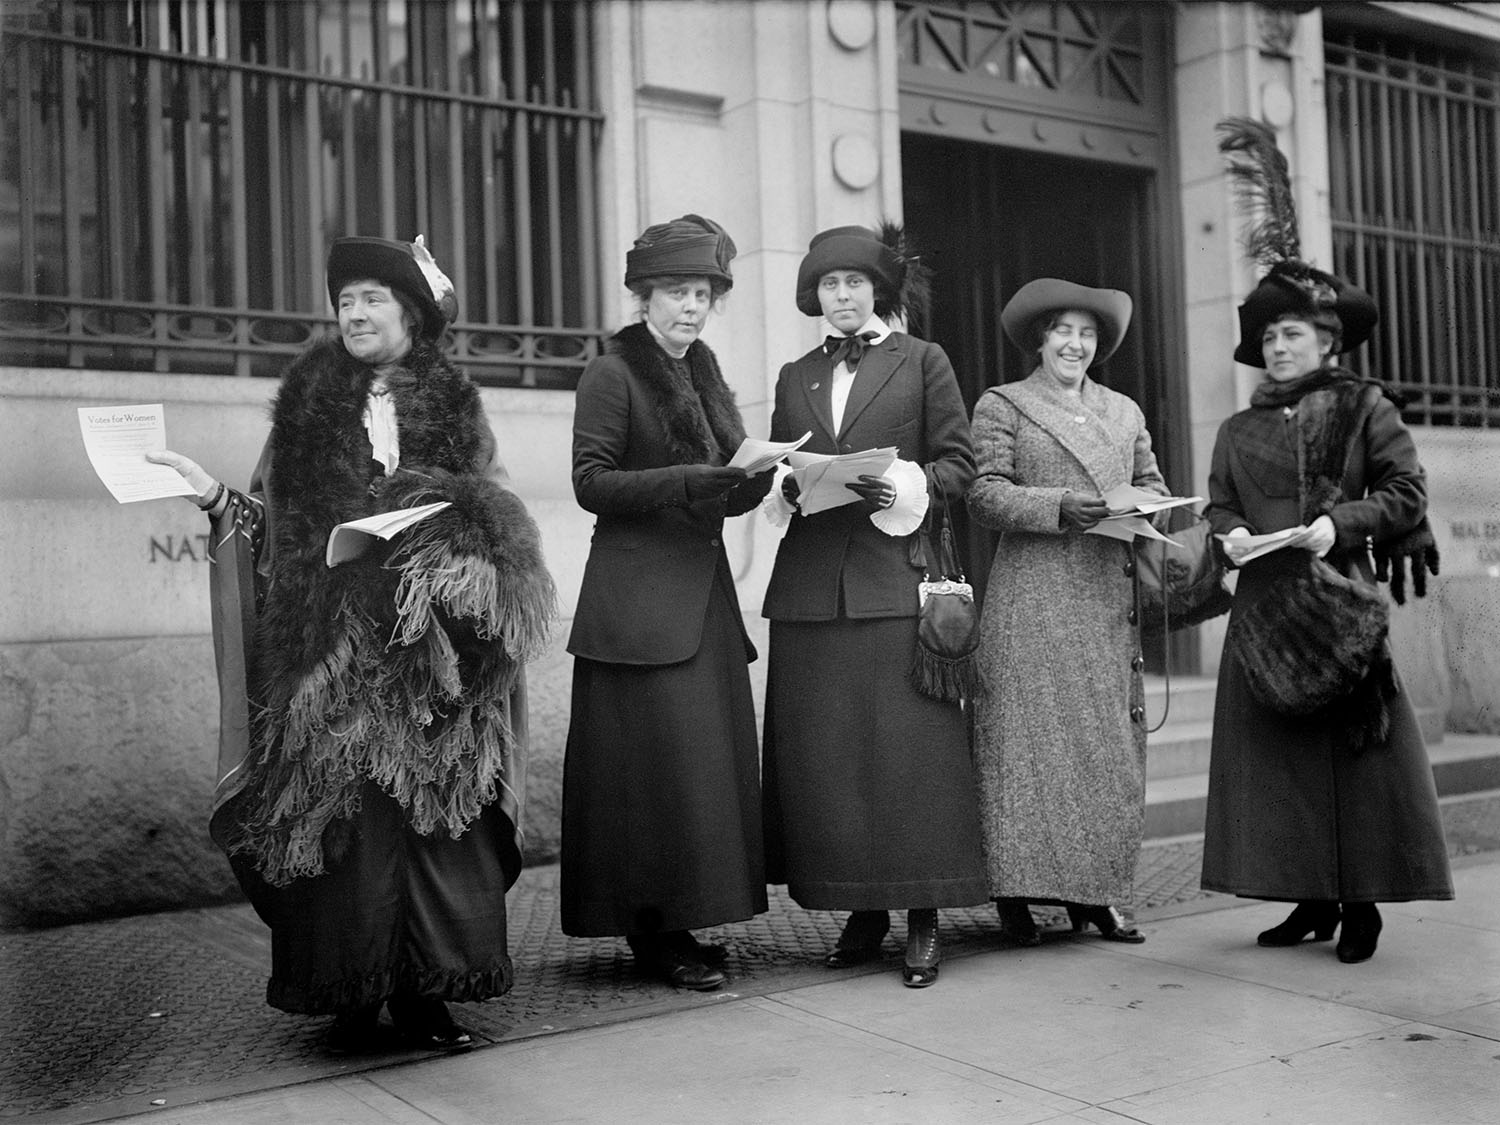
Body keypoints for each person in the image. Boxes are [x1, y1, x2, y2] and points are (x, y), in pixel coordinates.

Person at [147, 235, 556, 1052]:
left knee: (439, 825)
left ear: (410, 313)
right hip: (332, 653)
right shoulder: (305, 407)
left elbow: (501, 519)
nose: (357, 314)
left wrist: (450, 560)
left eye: (373, 299)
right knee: (346, 829)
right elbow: (269, 525)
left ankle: (430, 996)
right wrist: (215, 498)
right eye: (346, 302)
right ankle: (352, 996)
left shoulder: (454, 406)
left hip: (432, 655)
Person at [1200, 250, 1454, 965]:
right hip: (1264, 608)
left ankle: (1361, 904)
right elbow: (1220, 503)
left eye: (1293, 334)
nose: (1278, 348)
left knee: (1354, 757)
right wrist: (1231, 534)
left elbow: (1407, 491)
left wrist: (1339, 523)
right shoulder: (1236, 429)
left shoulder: (1364, 406)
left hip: (1338, 599)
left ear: (1327, 341)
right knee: (1281, 761)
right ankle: (1309, 898)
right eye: (1269, 337)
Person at [760, 223, 988, 989]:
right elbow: (783, 464)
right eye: (830, 285)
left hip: (895, 580)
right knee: (834, 760)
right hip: (812, 590)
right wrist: (788, 487)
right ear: (816, 296)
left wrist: (905, 485)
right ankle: (863, 907)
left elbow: (960, 464)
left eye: (855, 282)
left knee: (909, 758)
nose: (843, 296)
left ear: (879, 290)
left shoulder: (922, 360)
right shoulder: (795, 374)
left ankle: (923, 913)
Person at [560, 215, 774, 991]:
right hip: (636, 607)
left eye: (703, 295)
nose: (691, 306)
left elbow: (721, 492)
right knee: (647, 776)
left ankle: (682, 921)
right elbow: (592, 482)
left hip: (700, 600)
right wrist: (688, 480)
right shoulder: (612, 372)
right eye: (677, 292)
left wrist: (758, 480)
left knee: (695, 773)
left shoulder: (703, 372)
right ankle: (652, 935)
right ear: (645, 297)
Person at [966, 278, 1165, 947]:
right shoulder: (1004, 404)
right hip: (1032, 596)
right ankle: (1015, 893)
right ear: (1041, 340)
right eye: (1063, 332)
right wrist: (1058, 505)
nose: (1074, 345)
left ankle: (1098, 893)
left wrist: (1145, 507)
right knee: (1023, 746)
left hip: (1105, 593)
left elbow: (1153, 484)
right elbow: (984, 493)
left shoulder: (1124, 410)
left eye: (1086, 334)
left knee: (1104, 749)